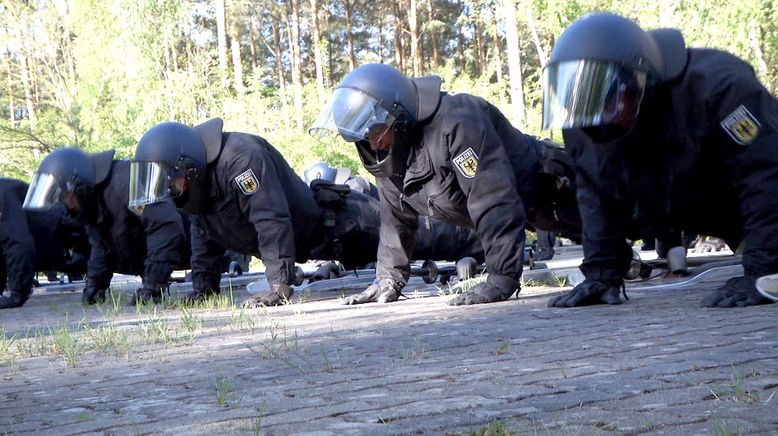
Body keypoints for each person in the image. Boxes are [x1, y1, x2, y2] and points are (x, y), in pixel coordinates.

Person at [541, 12, 778, 308]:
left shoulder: (720, 89)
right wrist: (601, 273)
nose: (595, 120)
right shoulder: (584, 127)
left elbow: (765, 174)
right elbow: (596, 196)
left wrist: (764, 269)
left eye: (606, 101)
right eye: (583, 103)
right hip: (719, 215)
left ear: (641, 83)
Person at [130, 119, 487, 307]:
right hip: (319, 242)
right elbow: (204, 231)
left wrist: (279, 285)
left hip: (343, 225)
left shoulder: (240, 158)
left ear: (186, 167)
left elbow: (271, 220)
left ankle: (493, 238)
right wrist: (202, 287)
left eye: (169, 180)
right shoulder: (199, 185)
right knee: (422, 238)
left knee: (427, 234)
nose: (168, 189)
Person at [309, 63, 582, 305]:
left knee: (614, 222)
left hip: (559, 188)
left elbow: (493, 199)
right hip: (534, 213)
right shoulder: (392, 153)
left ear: (399, 119)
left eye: (378, 133)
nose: (373, 144)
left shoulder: (459, 120)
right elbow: (395, 220)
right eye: (366, 137)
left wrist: (501, 278)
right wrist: (388, 279)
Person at [23, 147, 191, 305]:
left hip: (193, 245)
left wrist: (154, 284)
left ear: (78, 185)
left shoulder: (126, 180)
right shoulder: (94, 202)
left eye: (66, 197)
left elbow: (165, 228)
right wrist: (95, 287)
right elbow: (101, 246)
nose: (67, 205)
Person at [0, 178, 89, 309]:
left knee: (105, 252)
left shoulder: (3, 195)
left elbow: (19, 244)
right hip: (52, 235)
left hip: (63, 232)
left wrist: (16, 295)